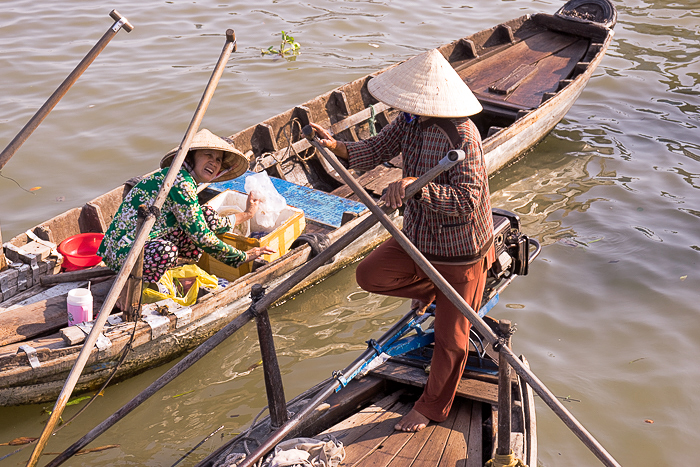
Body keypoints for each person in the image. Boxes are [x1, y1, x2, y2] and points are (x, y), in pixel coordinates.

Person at [310, 49, 495, 432]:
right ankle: (433, 291)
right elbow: (375, 149)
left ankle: (430, 409)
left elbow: (467, 201)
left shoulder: (463, 136)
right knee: (370, 275)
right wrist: (337, 148)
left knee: (451, 341)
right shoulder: (409, 120)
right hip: (419, 239)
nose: (404, 107)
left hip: (460, 250)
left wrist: (417, 188)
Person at [97, 128, 275, 285]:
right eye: (208, 155)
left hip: (144, 240)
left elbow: (204, 225)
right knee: (167, 252)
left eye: (218, 160)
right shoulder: (181, 183)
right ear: (193, 157)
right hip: (124, 252)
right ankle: (131, 286)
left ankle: (157, 273)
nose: (214, 163)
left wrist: (246, 214)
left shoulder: (185, 180)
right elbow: (202, 237)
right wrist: (243, 256)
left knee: (206, 216)